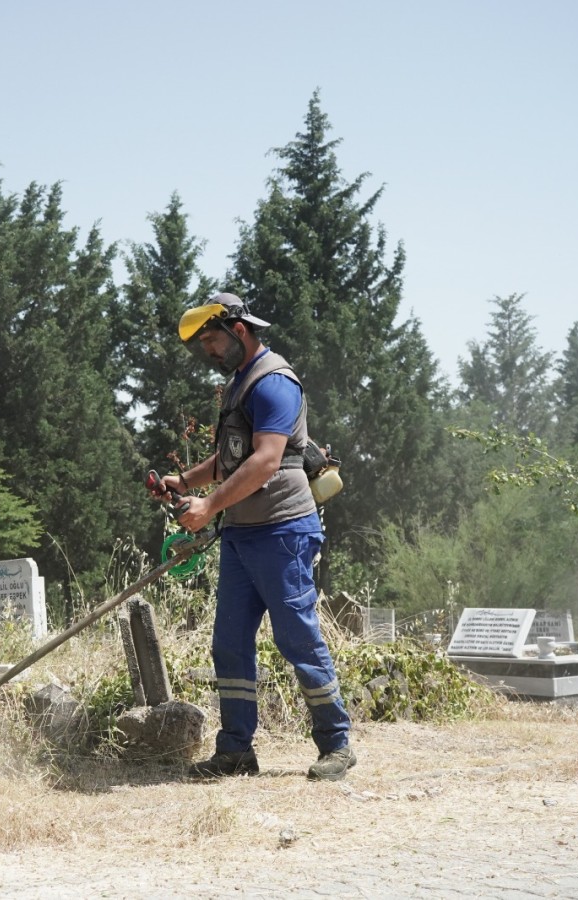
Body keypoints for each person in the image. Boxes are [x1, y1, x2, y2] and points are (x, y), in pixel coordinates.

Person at [150, 292, 355, 782]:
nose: (209, 352)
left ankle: (337, 744)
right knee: (230, 644)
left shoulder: (274, 383)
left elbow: (265, 461)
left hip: (283, 531)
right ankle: (236, 751)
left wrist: (209, 506)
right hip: (243, 536)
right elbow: (229, 459)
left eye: (214, 340)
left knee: (297, 637)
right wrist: (185, 484)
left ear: (239, 330)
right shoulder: (239, 386)